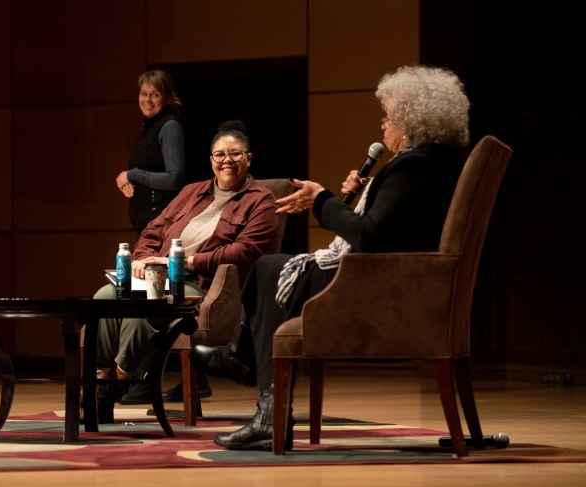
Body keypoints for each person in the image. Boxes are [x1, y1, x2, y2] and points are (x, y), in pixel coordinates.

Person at [190, 65, 472, 450]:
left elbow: (368, 236)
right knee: (272, 267)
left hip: (377, 288)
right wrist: (373, 190)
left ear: (410, 120)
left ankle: (252, 381)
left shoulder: (413, 166)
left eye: (388, 115)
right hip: (401, 281)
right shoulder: (435, 164)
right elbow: (392, 228)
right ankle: (246, 368)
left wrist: (320, 200)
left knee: (271, 266)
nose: (383, 123)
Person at [92, 120, 279, 420]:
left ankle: (120, 378)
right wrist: (142, 258)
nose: (227, 161)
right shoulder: (192, 192)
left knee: (149, 307)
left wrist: (188, 262)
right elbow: (154, 229)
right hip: (157, 273)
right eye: (219, 155)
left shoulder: (261, 200)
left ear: (248, 158)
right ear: (211, 160)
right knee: (104, 297)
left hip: (197, 283)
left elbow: (245, 251)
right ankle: (102, 379)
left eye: (235, 154)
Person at [115, 69, 187, 234]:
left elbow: (173, 179)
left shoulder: (169, 127)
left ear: (168, 98)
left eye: (154, 95)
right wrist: (129, 183)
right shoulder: (148, 128)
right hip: (148, 223)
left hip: (161, 221)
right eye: (143, 93)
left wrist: (132, 175)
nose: (147, 100)